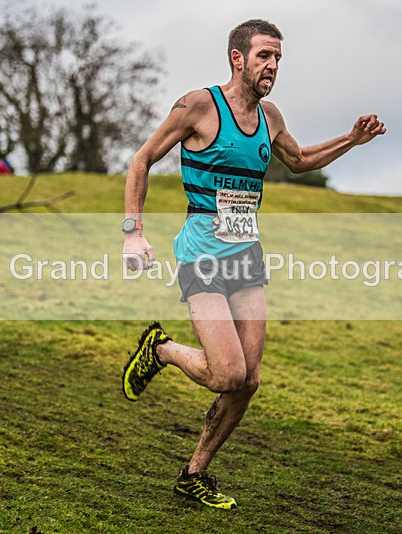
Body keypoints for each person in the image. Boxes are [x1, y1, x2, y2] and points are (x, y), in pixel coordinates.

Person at [121, 19, 386, 510]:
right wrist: (133, 233)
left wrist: (352, 139)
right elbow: (141, 160)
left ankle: (194, 472)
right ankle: (160, 349)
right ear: (237, 58)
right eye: (265, 55)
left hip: (246, 257)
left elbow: (300, 159)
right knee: (226, 374)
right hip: (201, 254)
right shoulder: (199, 105)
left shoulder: (271, 116)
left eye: (279, 58)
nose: (273, 66)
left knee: (249, 381)